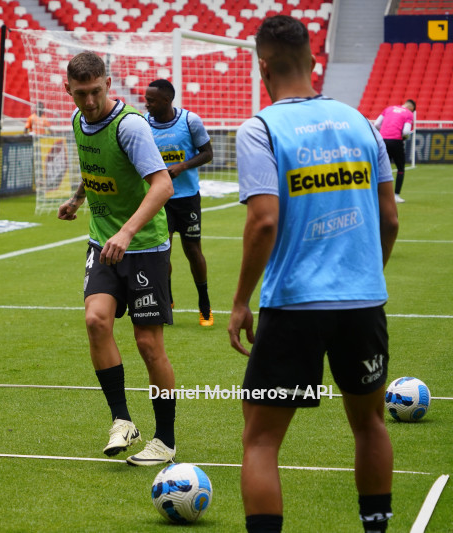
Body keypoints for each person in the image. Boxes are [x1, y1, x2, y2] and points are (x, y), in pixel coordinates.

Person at [228, 16, 399, 533]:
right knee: (368, 423)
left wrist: (239, 301)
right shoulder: (363, 123)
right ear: (312, 59)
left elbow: (263, 220)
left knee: (260, 441)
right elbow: (389, 219)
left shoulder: (259, 129)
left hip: (295, 305)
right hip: (362, 302)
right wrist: (365, 276)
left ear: (263, 65)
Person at [58, 51, 177, 466]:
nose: (88, 102)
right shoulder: (78, 121)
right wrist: (76, 199)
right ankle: (123, 420)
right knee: (95, 321)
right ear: (67, 89)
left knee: (148, 344)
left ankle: (165, 440)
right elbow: (96, 172)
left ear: (108, 83)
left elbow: (162, 186)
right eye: (80, 94)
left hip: (144, 247)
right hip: (102, 242)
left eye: (95, 92)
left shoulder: (131, 128)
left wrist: (127, 232)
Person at [144, 79, 215, 326]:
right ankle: (167, 300)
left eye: (151, 99)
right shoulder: (143, 124)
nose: (147, 103)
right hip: (159, 198)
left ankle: (204, 305)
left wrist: (183, 166)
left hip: (187, 198)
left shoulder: (189, 121)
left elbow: (208, 153)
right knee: (163, 252)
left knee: (193, 251)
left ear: (166, 100)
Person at [374, 99, 415, 203]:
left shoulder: (389, 108)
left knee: (380, 168)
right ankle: (396, 195)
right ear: (411, 108)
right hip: (396, 141)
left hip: (382, 140)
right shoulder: (409, 113)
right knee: (400, 168)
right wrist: (404, 137)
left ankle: (376, 194)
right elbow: (406, 131)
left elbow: (376, 124)